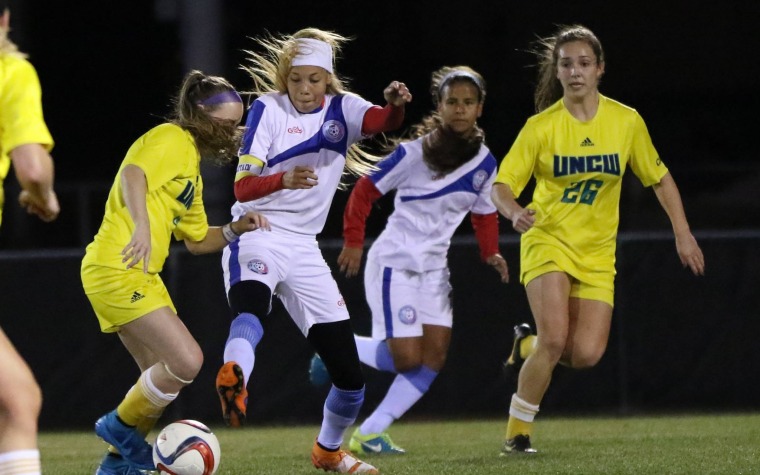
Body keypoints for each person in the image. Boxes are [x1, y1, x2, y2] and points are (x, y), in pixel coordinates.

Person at [492, 24, 705, 454]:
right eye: (566, 63)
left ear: (600, 69)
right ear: (557, 70)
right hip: (547, 239)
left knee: (586, 354)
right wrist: (514, 211)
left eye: (584, 63)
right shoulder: (541, 127)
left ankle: (526, 344)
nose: (575, 72)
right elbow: (502, 185)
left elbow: (660, 179)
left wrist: (683, 234)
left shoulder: (625, 121)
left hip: (596, 253)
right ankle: (518, 433)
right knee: (555, 338)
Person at [215, 27, 411, 474]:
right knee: (251, 306)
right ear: (286, 78)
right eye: (297, 79)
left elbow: (384, 122)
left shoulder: (345, 109)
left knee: (349, 379)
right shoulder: (268, 108)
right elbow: (243, 184)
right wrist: (281, 178)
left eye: (314, 80)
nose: (304, 89)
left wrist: (396, 105)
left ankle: (328, 451)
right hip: (258, 228)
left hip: (305, 248)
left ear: (329, 79)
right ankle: (234, 377)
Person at [311, 65, 509, 455]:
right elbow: (364, 191)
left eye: (469, 103)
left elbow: (484, 213)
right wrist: (354, 242)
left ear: (480, 109)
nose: (460, 109)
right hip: (394, 262)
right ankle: (336, 348)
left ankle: (370, 432)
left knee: (432, 357)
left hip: (434, 270)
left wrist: (491, 252)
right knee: (405, 358)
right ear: (440, 105)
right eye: (452, 101)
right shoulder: (414, 153)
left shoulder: (485, 162)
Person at [81, 70, 270, 475]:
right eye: (224, 124)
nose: (230, 133)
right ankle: (115, 426)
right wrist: (144, 228)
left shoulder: (192, 169)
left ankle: (117, 469)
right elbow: (133, 173)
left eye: (236, 125)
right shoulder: (172, 138)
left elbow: (199, 240)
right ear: (200, 116)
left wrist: (237, 228)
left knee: (155, 382)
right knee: (187, 362)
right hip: (118, 267)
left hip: (137, 274)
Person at [0, 3, 59, 474]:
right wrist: (44, 196)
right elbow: (33, 167)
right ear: (4, 21)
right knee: (17, 400)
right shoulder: (11, 71)